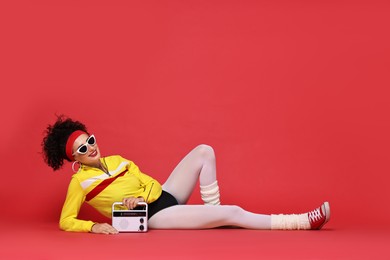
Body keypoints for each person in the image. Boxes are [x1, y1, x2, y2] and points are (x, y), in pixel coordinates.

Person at [41, 115, 330, 234]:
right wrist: (94, 227)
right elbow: (66, 220)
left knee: (204, 151)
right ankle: (301, 222)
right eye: (82, 149)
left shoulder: (115, 159)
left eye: (90, 141)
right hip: (153, 215)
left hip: (164, 193)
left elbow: (143, 179)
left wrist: (139, 193)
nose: (91, 148)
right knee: (235, 212)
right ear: (74, 160)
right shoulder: (79, 183)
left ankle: (213, 214)